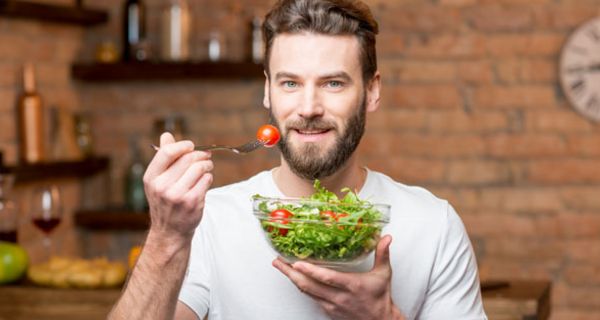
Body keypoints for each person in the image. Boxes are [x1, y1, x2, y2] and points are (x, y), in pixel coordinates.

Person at [108, 0, 487, 319]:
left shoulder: (434, 225)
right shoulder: (209, 220)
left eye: (333, 83)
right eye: (290, 83)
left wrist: (384, 317)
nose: (308, 108)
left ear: (371, 92)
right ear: (268, 92)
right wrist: (165, 237)